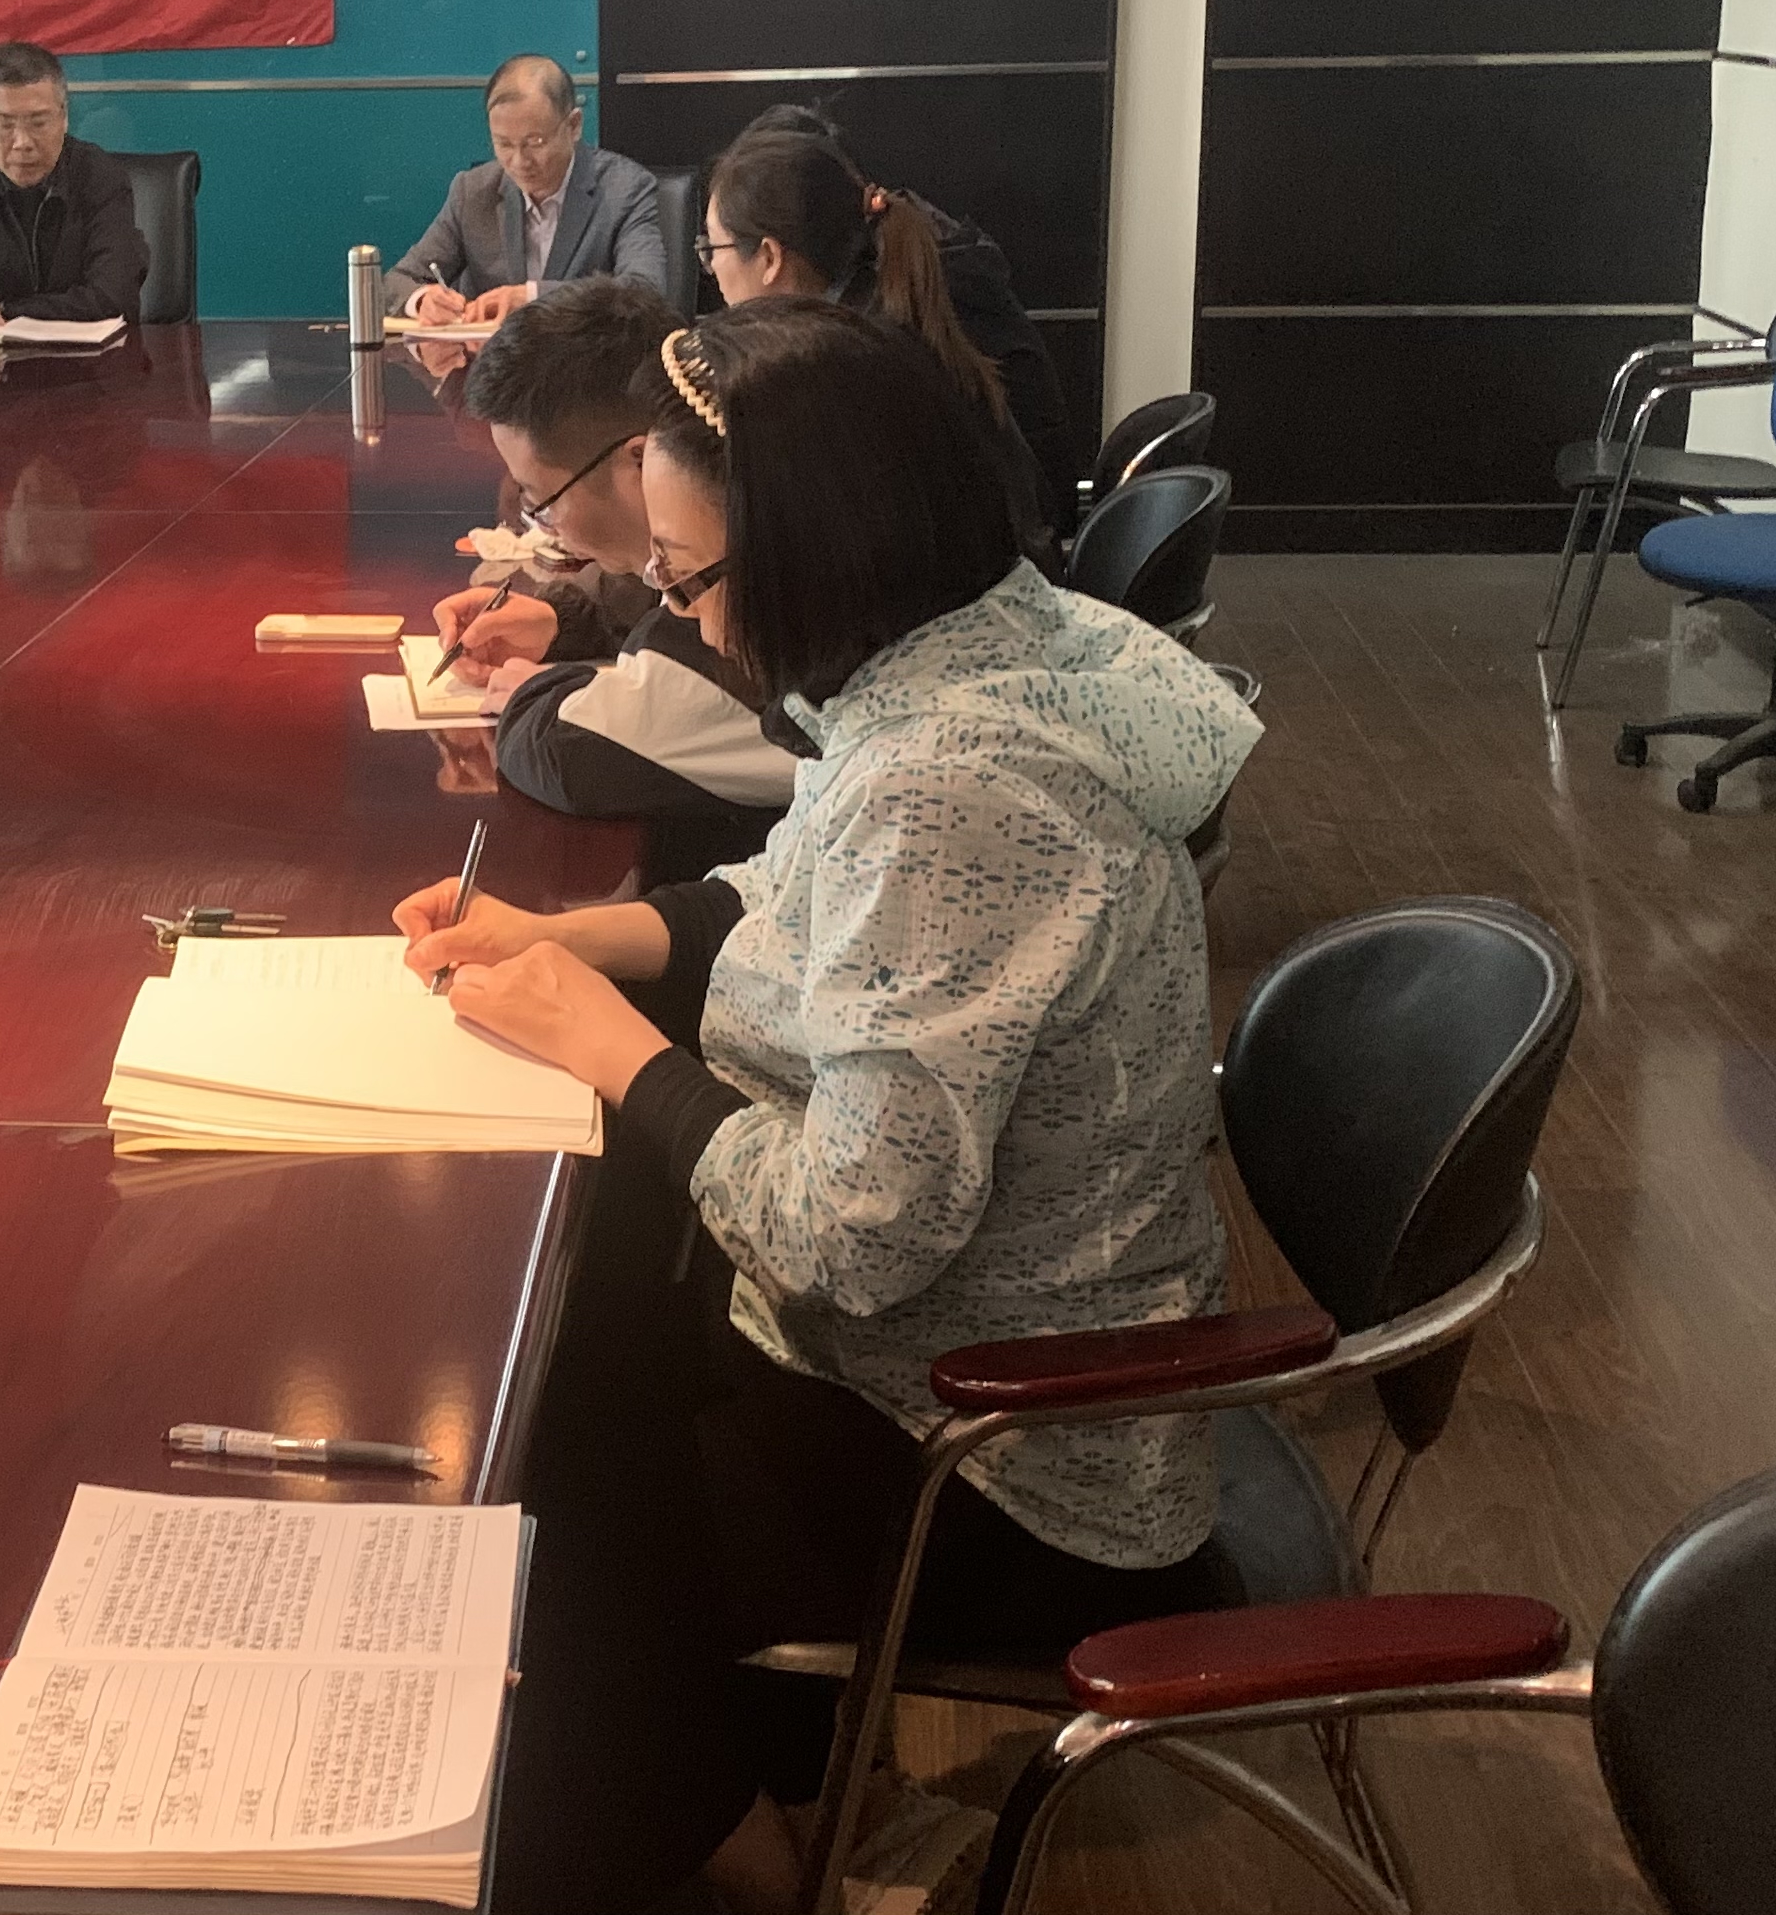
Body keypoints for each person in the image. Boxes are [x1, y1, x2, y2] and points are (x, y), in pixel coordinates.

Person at [397, 296, 1261, 1912]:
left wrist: (615, 1048)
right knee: (572, 1349)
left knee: (529, 1500)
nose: (673, 612)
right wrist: (569, 938)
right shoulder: (971, 652)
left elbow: (856, 1238)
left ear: (809, 545)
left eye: (682, 577)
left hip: (1007, 1455)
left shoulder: (953, 788)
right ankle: (769, 1790)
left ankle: (755, 1854)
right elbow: (783, 892)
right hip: (984, 1344)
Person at [423, 277, 791, 838]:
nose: (546, 527)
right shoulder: (759, 492)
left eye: (542, 502)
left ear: (641, 461)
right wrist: (561, 619)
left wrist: (528, 693)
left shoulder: (738, 617)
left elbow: (572, 751)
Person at [702, 111, 1082, 530]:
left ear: (770, 258)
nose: (711, 267)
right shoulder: (881, 303)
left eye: (712, 249)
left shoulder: (848, 359)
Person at [392, 55, 675, 326]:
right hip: (493, 356)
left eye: (535, 142)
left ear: (573, 126)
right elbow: (396, 282)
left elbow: (643, 291)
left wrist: (531, 296)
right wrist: (423, 300)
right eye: (504, 144)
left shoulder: (625, 189)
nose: (519, 162)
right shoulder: (472, 192)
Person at [0, 42, 150, 332]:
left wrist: (1, 311)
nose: (23, 142)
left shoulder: (100, 177)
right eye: (5, 124)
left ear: (64, 116)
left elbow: (113, 298)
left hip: (86, 359)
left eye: (38, 122)